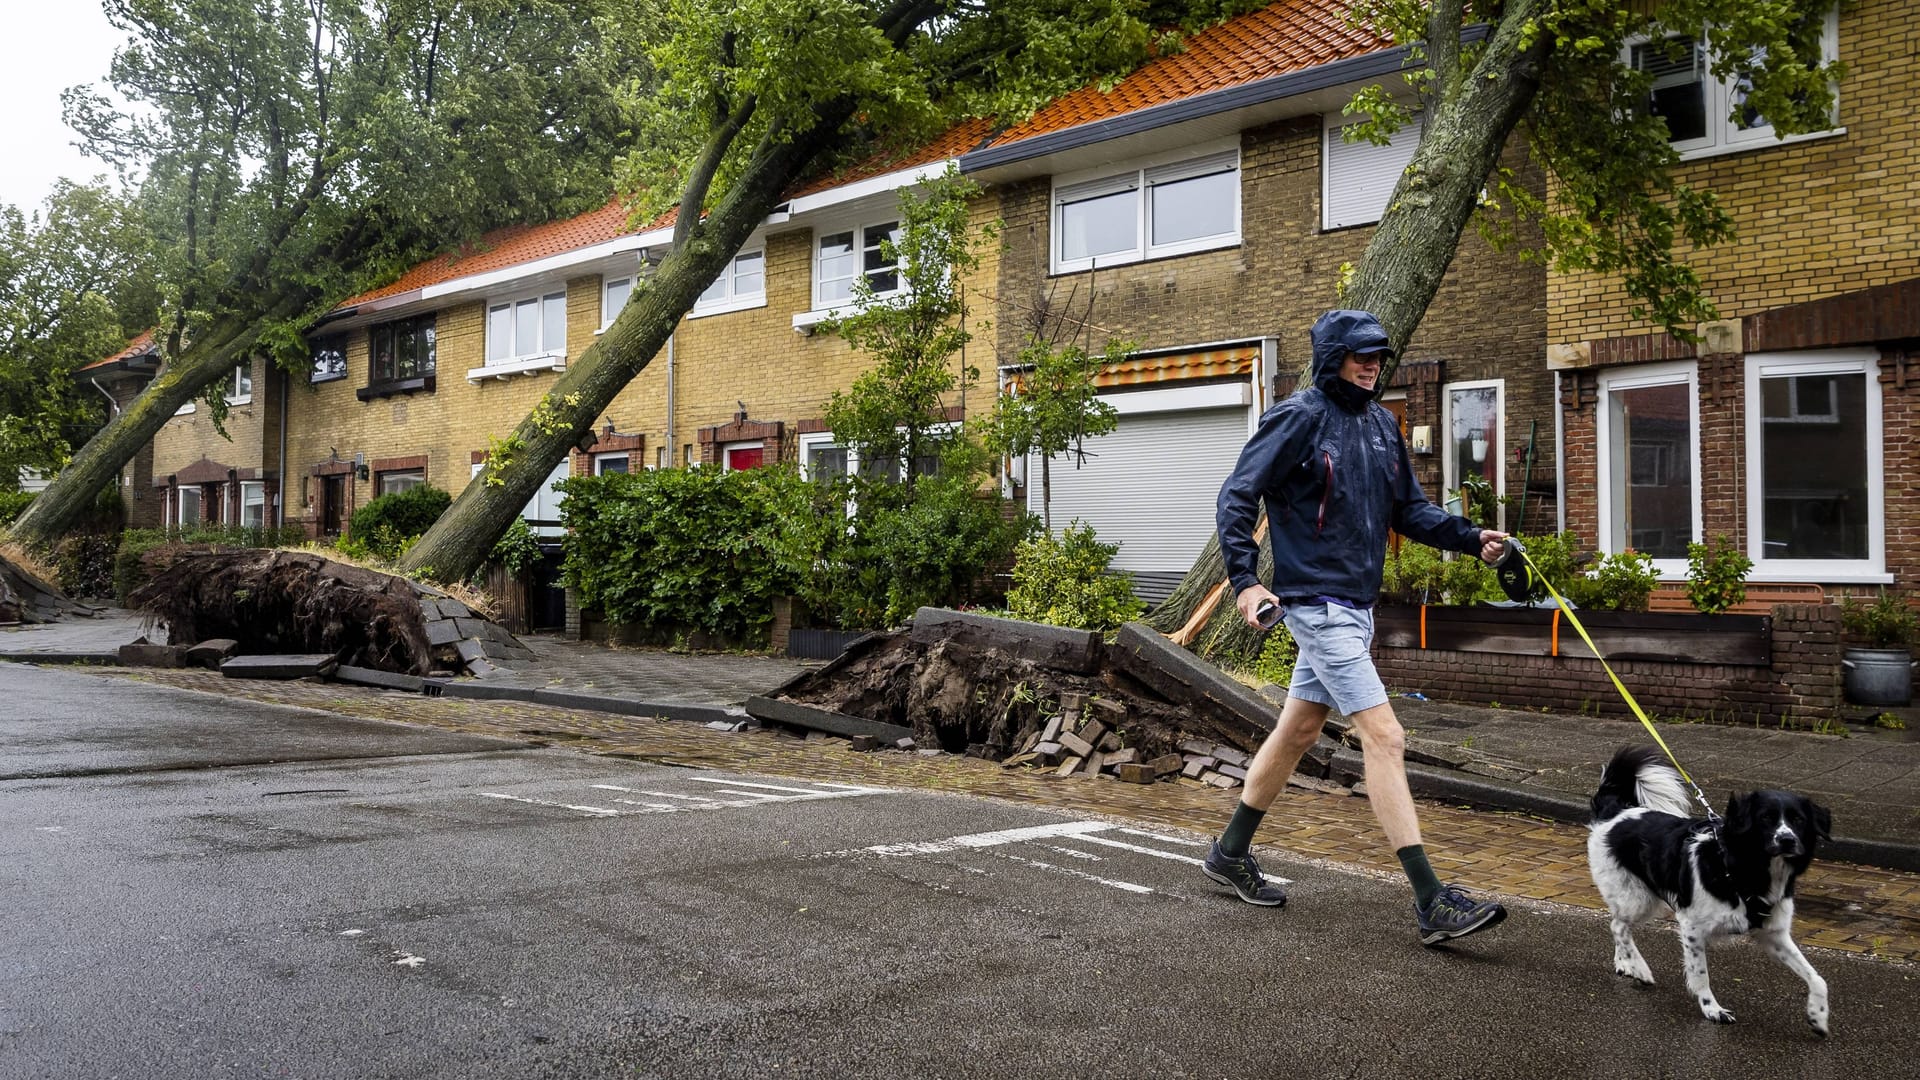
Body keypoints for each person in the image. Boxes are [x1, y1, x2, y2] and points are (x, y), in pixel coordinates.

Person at [1203, 308, 1511, 945]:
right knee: (1386, 736)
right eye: (1360, 355)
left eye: (1378, 355)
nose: (1372, 365)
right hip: (1314, 603)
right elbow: (1237, 495)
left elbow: (1411, 511)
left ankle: (1229, 853)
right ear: (1332, 357)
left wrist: (1470, 537)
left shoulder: (1380, 426)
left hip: (1355, 607)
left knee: (1298, 730)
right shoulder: (1297, 417)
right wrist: (1246, 581)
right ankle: (1431, 901)